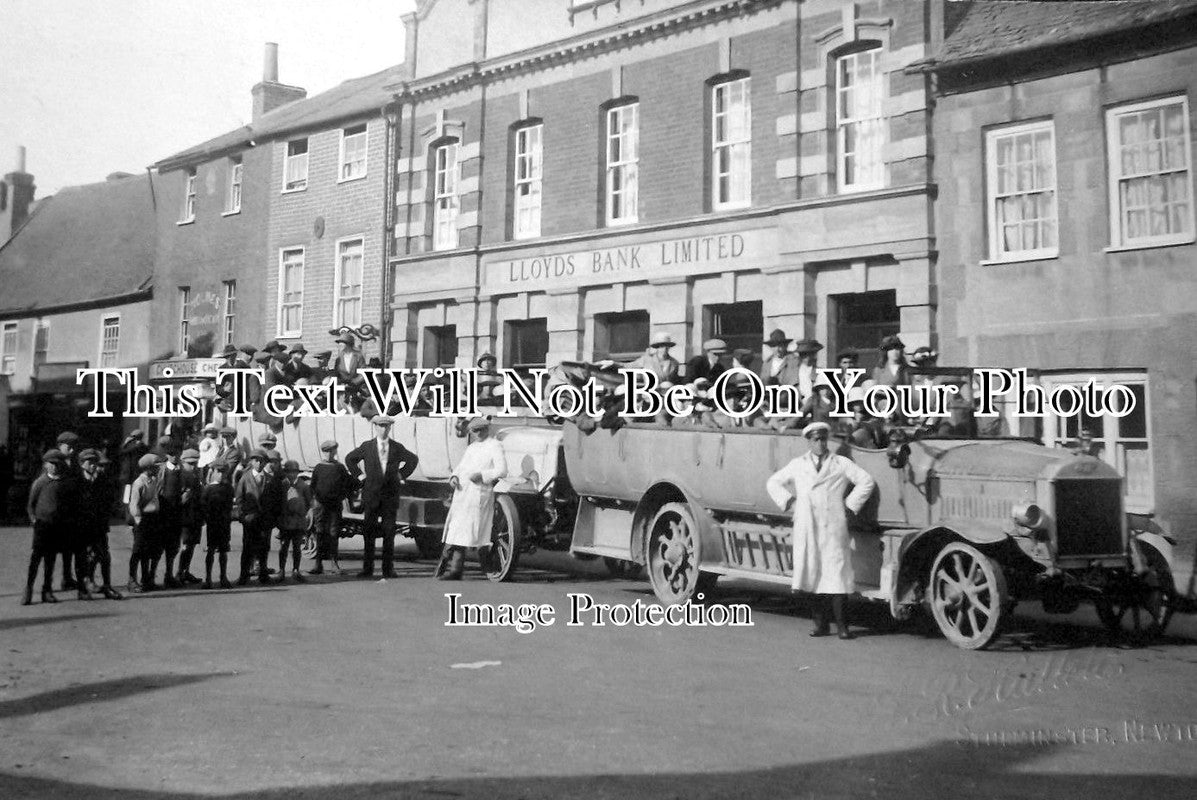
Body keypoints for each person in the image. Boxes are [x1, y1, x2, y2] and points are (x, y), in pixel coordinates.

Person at [766, 421, 876, 640]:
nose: (820, 444)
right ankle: (821, 625)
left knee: (837, 575)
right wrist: (790, 502)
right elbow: (773, 483)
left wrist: (849, 505)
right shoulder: (798, 464)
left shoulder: (841, 463)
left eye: (823, 439)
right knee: (812, 573)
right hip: (807, 525)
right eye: (816, 440)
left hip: (833, 525)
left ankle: (843, 627)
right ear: (809, 441)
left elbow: (866, 481)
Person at [345, 415, 419, 578]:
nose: (383, 429)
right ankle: (367, 569)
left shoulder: (396, 447)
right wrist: (360, 476)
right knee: (369, 532)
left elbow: (413, 460)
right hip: (371, 495)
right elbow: (350, 459)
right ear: (375, 427)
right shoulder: (367, 446)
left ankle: (388, 569)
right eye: (380, 426)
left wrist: (401, 474)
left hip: (389, 496)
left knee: (388, 532)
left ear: (390, 428)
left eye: (386, 426)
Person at [437, 417, 508, 580]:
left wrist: (482, 475)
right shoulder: (471, 447)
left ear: (487, 429)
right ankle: (455, 571)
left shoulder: (495, 445)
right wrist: (454, 477)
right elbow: (461, 467)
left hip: (479, 494)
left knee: (479, 533)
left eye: (481, 430)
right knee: (458, 532)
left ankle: (488, 568)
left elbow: (502, 470)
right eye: (475, 431)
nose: (478, 433)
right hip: (463, 493)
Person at [24, 450, 71, 605]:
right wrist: (34, 520)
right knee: (36, 558)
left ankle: (47, 590)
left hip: (56, 526)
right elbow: (31, 505)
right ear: (45, 465)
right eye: (51, 464)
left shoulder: (63, 483)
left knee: (50, 560)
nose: (54, 467)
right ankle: (28, 589)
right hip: (42, 525)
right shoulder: (40, 482)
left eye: (57, 464)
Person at [77, 449, 122, 600]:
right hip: (83, 527)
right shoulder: (77, 481)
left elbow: (109, 499)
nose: (93, 465)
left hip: (99, 526)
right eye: (89, 462)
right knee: (84, 557)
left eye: (95, 462)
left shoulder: (102, 479)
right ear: (82, 464)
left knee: (104, 556)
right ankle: (83, 587)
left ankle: (107, 586)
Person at [309, 440, 351, 575]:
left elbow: (347, 485)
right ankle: (318, 564)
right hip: (320, 505)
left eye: (331, 451)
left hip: (335, 506)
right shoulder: (318, 467)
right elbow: (313, 486)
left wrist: (341, 497)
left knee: (334, 534)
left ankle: (334, 563)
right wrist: (314, 502)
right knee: (319, 533)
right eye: (326, 452)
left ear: (335, 452)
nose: (328, 454)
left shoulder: (340, 468)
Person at [127, 453, 162, 594]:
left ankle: (146, 579)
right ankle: (132, 580)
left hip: (152, 520)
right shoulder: (139, 483)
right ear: (148, 468)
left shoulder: (153, 480)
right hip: (142, 520)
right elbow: (134, 505)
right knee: (137, 551)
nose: (158, 469)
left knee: (148, 551)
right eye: (155, 467)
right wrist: (139, 521)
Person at [234, 450, 271, 585]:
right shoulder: (245, 478)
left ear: (265, 463)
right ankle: (244, 575)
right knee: (247, 548)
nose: (259, 463)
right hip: (250, 519)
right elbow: (239, 498)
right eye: (256, 460)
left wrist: (271, 517)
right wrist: (243, 515)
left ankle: (263, 574)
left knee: (264, 547)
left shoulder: (269, 479)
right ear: (252, 461)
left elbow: (273, 500)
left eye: (262, 461)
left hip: (264, 520)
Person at [155, 438, 184, 589]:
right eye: (171, 454)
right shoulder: (161, 470)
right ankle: (151, 576)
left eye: (177, 453)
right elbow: (156, 492)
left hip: (176, 514)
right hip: (163, 514)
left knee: (173, 548)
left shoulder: (182, 470)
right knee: (158, 547)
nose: (174, 456)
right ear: (167, 455)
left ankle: (169, 575)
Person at [275, 460, 312, 581]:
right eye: (289, 472)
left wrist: (302, 513)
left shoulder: (303, 486)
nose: (291, 474)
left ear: (297, 472)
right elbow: (278, 503)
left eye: (294, 472)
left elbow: (309, 502)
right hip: (285, 522)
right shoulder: (282, 485)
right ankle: (281, 570)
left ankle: (296, 570)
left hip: (298, 522)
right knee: (284, 547)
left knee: (296, 547)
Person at [201, 461, 235, 589]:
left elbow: (230, 505)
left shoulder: (228, 488)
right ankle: (208, 578)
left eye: (223, 472)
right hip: (213, 524)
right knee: (211, 551)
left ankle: (223, 577)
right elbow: (203, 506)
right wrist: (207, 518)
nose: (221, 475)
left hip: (224, 523)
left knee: (223, 551)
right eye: (218, 472)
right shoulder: (208, 489)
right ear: (213, 472)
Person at [54, 431, 82, 591]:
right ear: (60, 446)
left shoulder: (75, 463)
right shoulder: (54, 462)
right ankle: (48, 584)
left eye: (74, 447)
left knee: (70, 547)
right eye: (68, 447)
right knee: (51, 550)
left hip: (73, 511)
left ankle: (68, 577)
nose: (72, 450)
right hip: (59, 512)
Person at [175, 448, 204, 585]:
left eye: (195, 463)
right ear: (183, 462)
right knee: (185, 545)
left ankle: (186, 571)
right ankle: (179, 573)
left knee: (192, 545)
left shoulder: (196, 476)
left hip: (195, 516)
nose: (193, 466)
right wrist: (182, 498)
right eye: (190, 464)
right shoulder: (180, 476)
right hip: (184, 516)